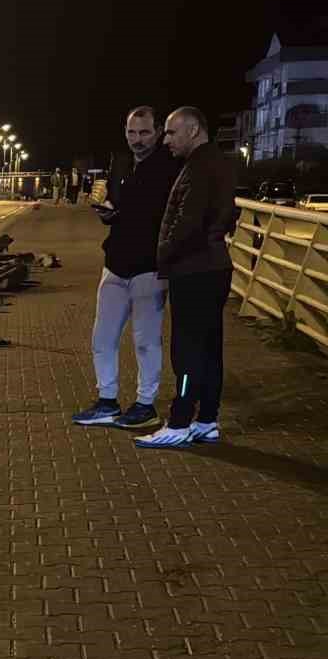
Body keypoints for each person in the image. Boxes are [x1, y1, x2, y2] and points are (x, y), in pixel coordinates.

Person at [73, 106, 182, 429]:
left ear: (158, 131)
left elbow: (162, 215)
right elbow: (121, 206)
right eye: (132, 132)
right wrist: (108, 212)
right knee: (102, 337)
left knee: (146, 340)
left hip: (149, 266)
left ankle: (145, 404)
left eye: (145, 132)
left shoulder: (169, 166)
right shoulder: (120, 164)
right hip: (116, 262)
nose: (138, 139)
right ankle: (107, 401)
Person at [135, 106, 238, 448]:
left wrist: (162, 254)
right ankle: (207, 419)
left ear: (193, 130)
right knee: (210, 349)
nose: (166, 140)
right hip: (213, 267)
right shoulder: (217, 163)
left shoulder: (199, 168)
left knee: (187, 350)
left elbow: (186, 222)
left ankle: (179, 422)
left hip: (194, 270)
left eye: (171, 132)